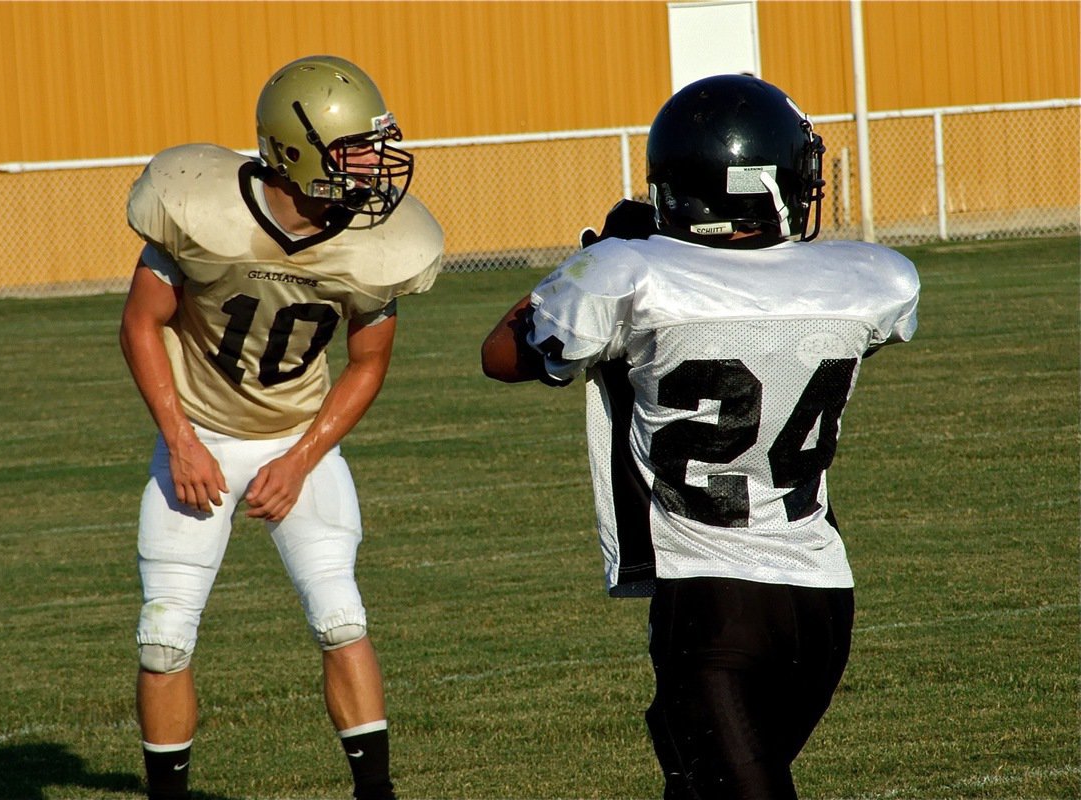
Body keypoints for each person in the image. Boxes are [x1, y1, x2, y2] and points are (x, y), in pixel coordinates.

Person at [481, 74, 919, 799]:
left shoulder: (631, 276)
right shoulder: (866, 278)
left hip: (711, 600)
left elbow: (501, 355)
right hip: (820, 600)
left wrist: (599, 257)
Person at [120, 55, 443, 800]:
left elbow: (367, 363)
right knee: (164, 636)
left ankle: (377, 794)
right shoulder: (200, 205)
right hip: (199, 433)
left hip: (297, 439)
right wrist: (179, 439)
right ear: (298, 151)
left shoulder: (379, 242)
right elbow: (142, 322)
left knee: (340, 616)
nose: (375, 164)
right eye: (356, 149)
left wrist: (301, 458)